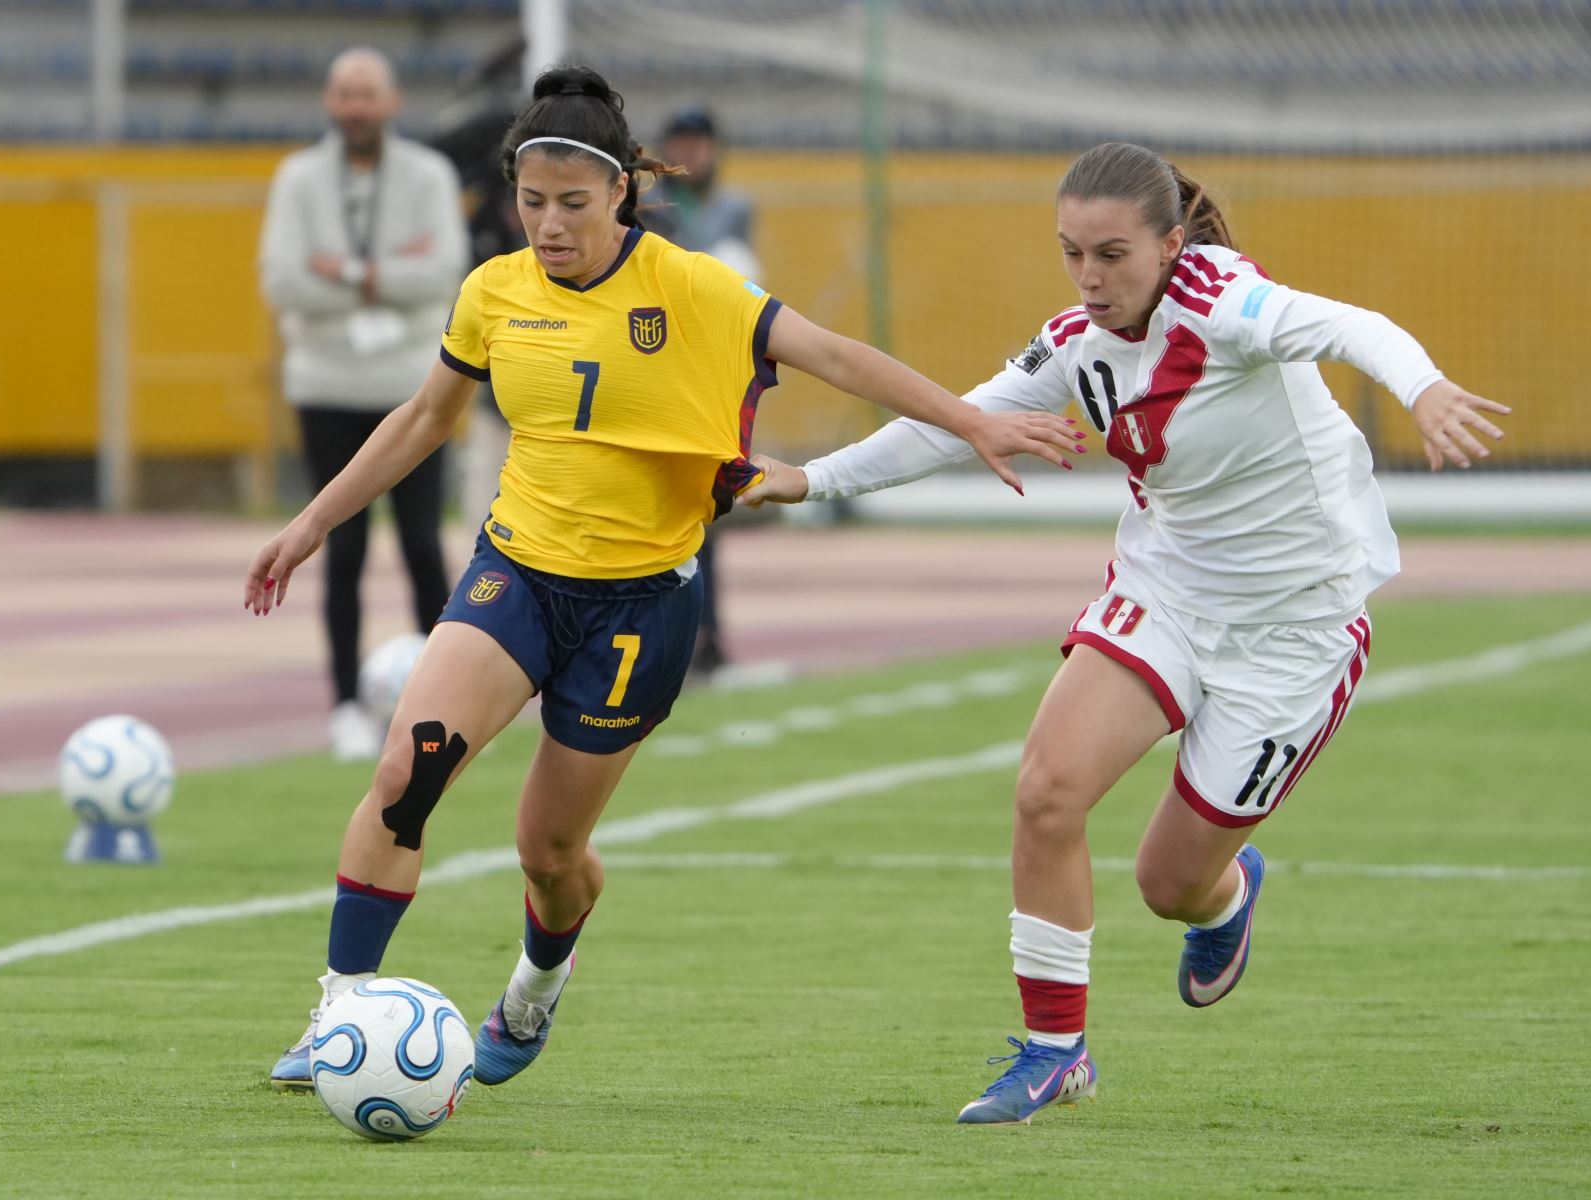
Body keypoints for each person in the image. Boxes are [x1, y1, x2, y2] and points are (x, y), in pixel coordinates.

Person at [243, 64, 1082, 1096]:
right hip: (516, 573)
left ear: (621, 195)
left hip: (641, 604)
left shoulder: (690, 287)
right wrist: (313, 522)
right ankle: (338, 1009)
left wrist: (974, 421)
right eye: (531, 202)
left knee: (548, 852)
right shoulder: (494, 290)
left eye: (571, 205)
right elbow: (425, 420)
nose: (547, 226)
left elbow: (834, 353)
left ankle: (538, 987)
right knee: (405, 776)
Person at [741, 141, 1510, 1125]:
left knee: (1167, 883)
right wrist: (809, 481)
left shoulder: (1227, 304)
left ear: (1171, 243)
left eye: (1113, 255)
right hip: (1166, 593)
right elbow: (955, 420)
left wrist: (1427, 389)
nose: (1091, 279)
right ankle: (1057, 1051)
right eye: (1072, 255)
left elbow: (1355, 327)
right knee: (1046, 791)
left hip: (1294, 627)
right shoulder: (1074, 342)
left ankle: (1224, 898)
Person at [259, 47, 469, 761]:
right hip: (326, 383)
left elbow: (444, 270)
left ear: (393, 101)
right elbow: (286, 280)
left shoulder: (429, 175)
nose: (356, 107)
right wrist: (387, 274)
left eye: (368, 94)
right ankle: (347, 704)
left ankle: (452, 703)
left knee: (420, 546)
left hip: (414, 388)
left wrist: (346, 270)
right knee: (340, 545)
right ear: (329, 102)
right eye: (345, 94)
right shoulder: (297, 178)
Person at [648, 105, 759, 674]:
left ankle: (705, 634)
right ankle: (681, 636)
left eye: (698, 144)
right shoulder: (647, 209)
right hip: (658, 372)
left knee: (703, 514)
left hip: (710, 377)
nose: (689, 156)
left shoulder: (733, 208)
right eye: (679, 144)